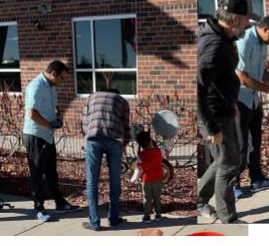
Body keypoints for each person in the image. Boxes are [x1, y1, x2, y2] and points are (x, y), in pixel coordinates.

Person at [196, 0, 251, 224]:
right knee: (230, 164)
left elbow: (222, 78)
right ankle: (229, 219)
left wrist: (232, 101)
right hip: (215, 117)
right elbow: (198, 88)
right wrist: (210, 127)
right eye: (247, 19)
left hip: (224, 110)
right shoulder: (215, 44)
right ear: (235, 19)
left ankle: (199, 201)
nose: (249, 24)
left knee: (224, 160)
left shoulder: (224, 38)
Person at [233, 15, 269, 198]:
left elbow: (259, 73)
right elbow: (242, 77)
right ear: (265, 29)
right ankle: (232, 183)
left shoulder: (262, 44)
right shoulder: (244, 41)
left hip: (253, 99)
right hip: (238, 100)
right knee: (240, 146)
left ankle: (256, 179)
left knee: (254, 142)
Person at [23, 60, 80, 222]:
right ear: (54, 73)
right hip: (35, 135)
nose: (62, 82)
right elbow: (32, 114)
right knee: (37, 173)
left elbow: (54, 107)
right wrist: (49, 124)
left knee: (51, 172)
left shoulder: (51, 86)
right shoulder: (36, 86)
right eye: (62, 78)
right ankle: (39, 209)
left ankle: (60, 203)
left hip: (47, 135)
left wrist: (58, 116)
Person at [80, 83, 130, 231]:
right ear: (116, 93)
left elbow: (84, 121)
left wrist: (86, 135)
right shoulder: (122, 101)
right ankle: (113, 219)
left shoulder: (92, 97)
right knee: (115, 181)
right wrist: (125, 143)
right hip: (115, 140)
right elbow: (126, 126)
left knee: (92, 182)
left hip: (94, 139)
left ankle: (94, 222)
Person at [136, 131, 165, 222]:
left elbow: (139, 169)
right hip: (157, 178)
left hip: (146, 179)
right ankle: (158, 214)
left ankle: (146, 216)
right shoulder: (158, 152)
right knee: (157, 197)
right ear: (150, 142)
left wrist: (135, 179)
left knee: (147, 199)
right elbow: (163, 152)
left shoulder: (140, 155)